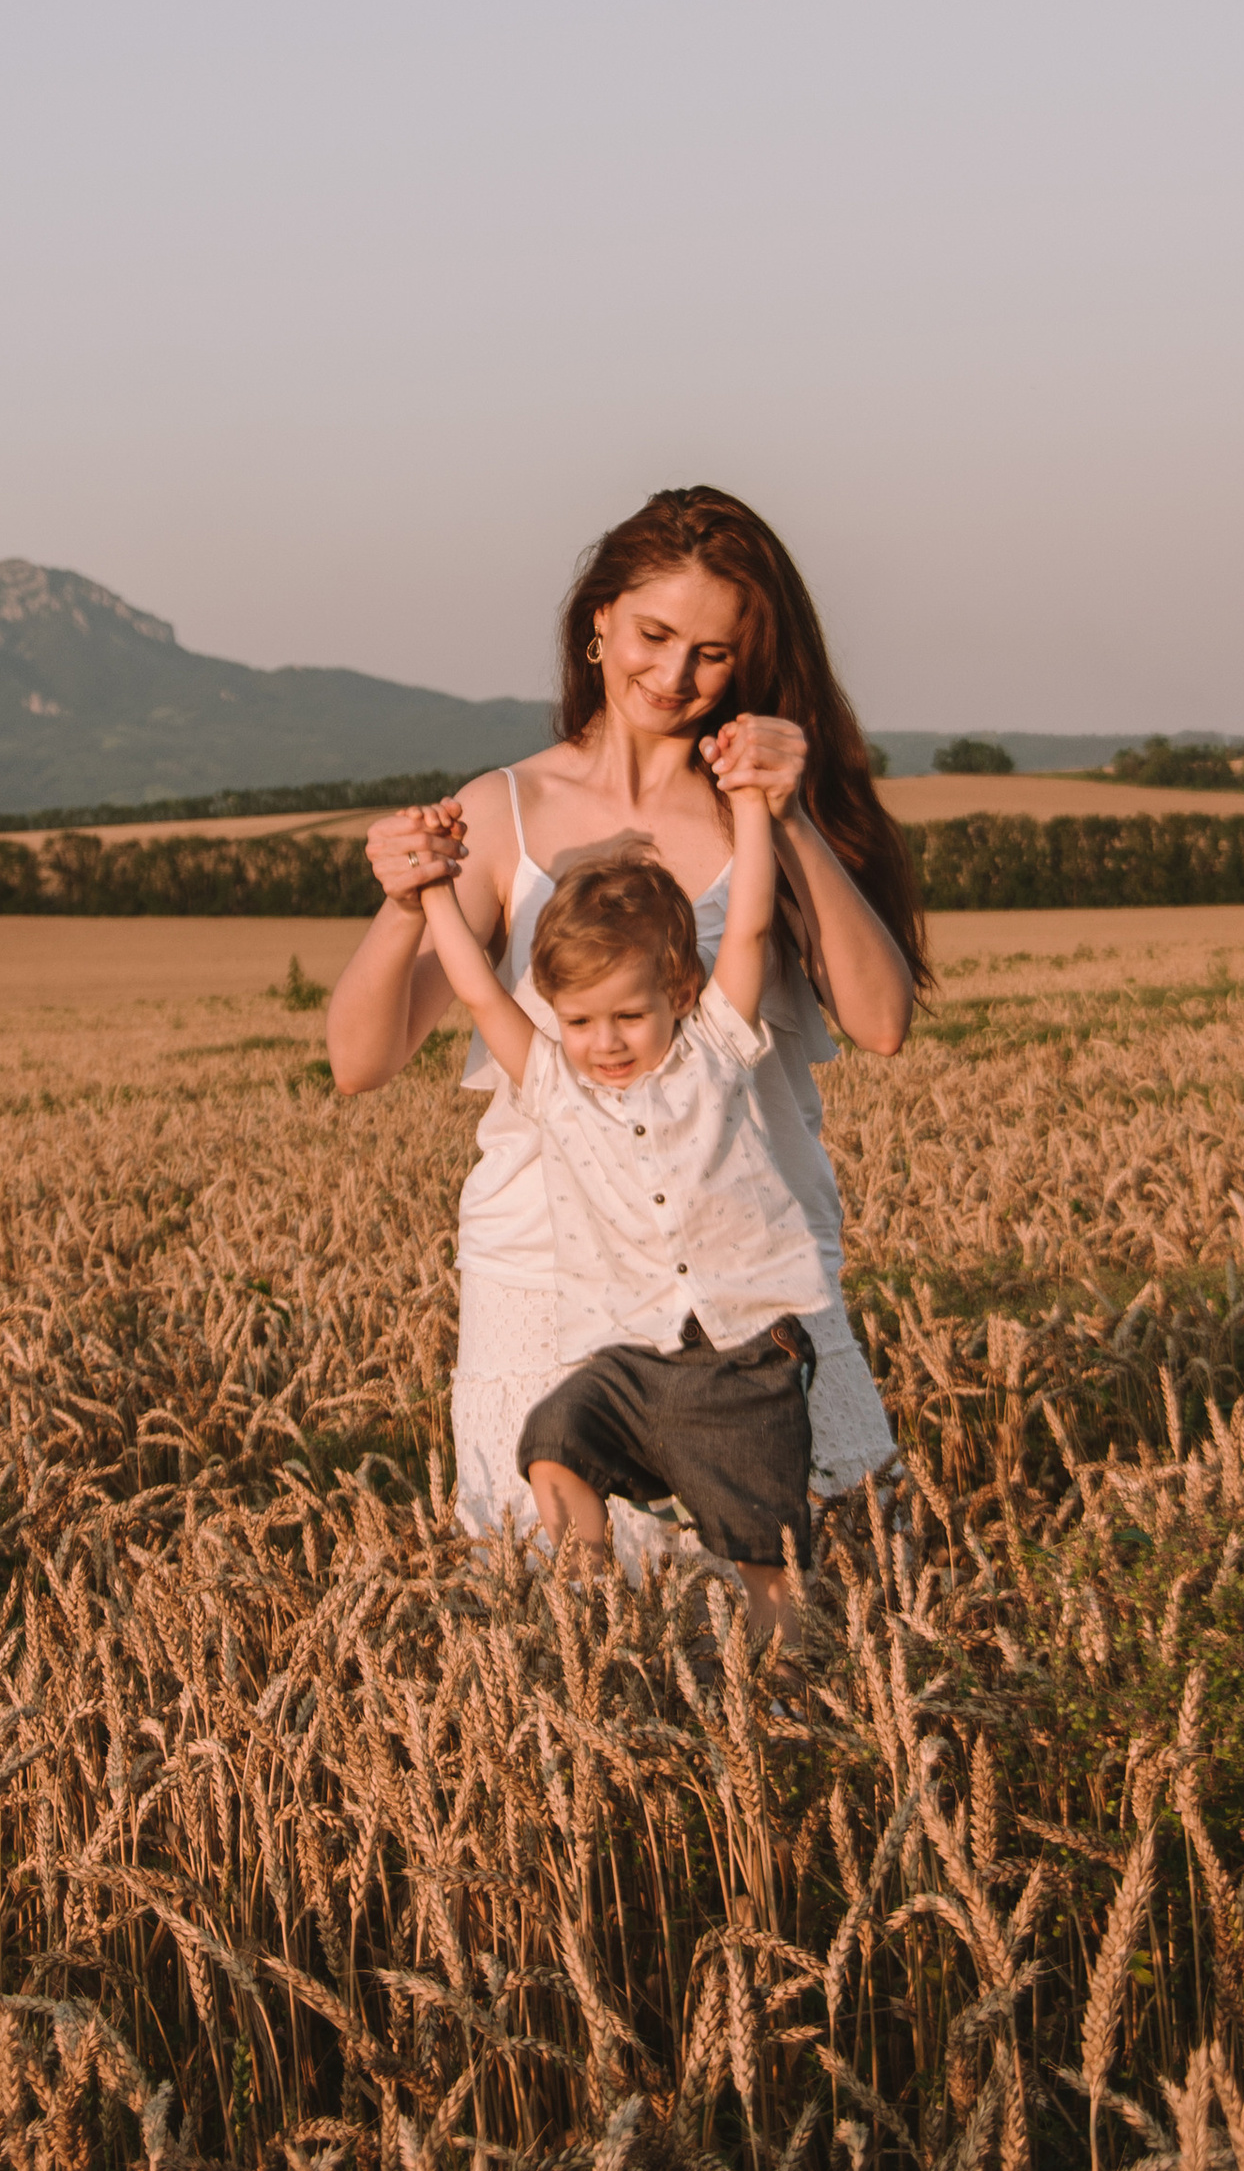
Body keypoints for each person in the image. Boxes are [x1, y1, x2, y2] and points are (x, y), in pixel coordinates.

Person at [326, 484, 925, 1539]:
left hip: (747, 1265)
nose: (674, 675)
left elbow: (879, 1021)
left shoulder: (768, 803)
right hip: (551, 1275)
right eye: (653, 633)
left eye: (712, 653)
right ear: (597, 620)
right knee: (570, 1622)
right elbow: (361, 1059)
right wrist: (397, 903)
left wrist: (788, 822)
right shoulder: (502, 811)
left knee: (795, 1601)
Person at [413, 743, 829, 1637]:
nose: (604, 1042)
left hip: (745, 1349)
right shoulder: (556, 1085)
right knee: (552, 1444)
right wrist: (435, 893)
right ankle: (594, 1623)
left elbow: (749, 924)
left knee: (768, 1565)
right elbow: (483, 996)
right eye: (579, 1021)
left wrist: (752, 807)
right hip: (631, 1351)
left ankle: (792, 1690)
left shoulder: (716, 1044)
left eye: (629, 1016)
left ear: (680, 991)